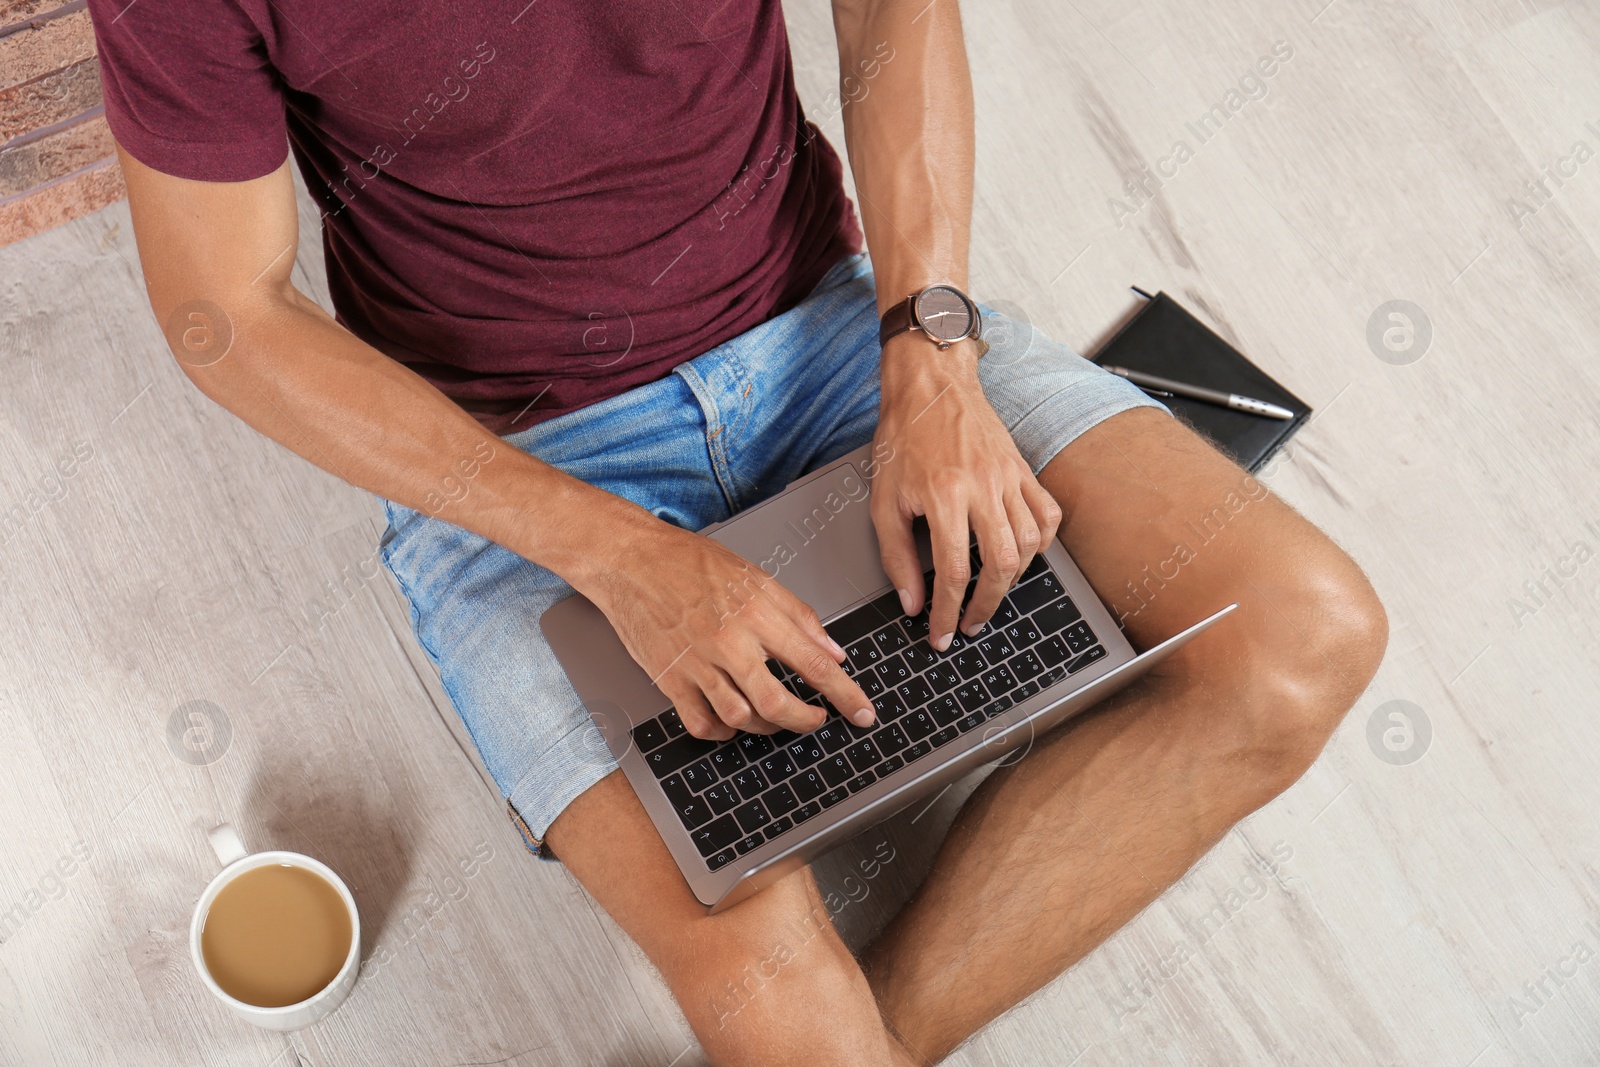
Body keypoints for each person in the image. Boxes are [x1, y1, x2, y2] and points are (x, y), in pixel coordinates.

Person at [87, 0, 1387, 1062]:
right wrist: (613, 555)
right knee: (773, 1008)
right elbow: (228, 315)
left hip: (835, 328)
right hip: (505, 462)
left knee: (1304, 635)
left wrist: (931, 350)